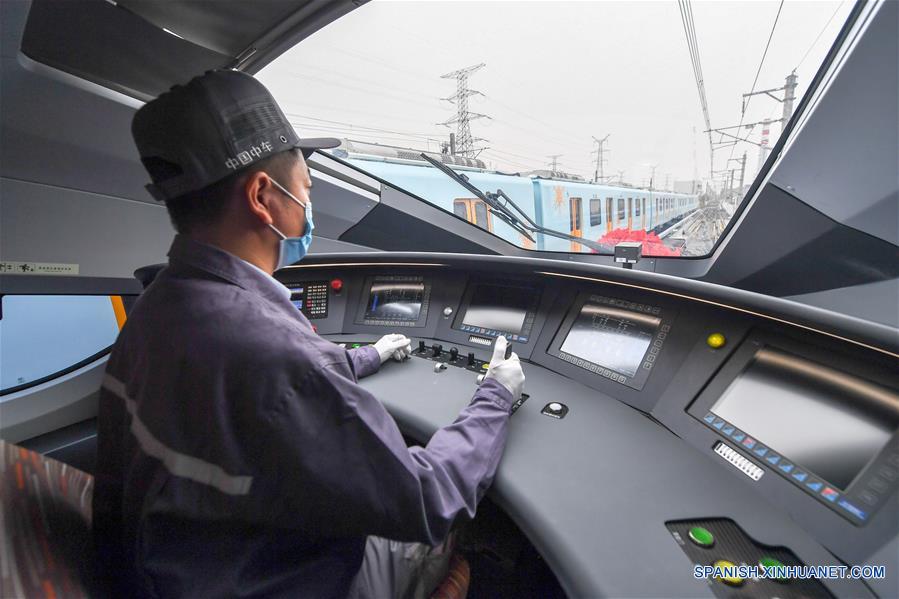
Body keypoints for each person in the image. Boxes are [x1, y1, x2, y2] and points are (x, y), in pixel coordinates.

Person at [93, 69, 525, 599]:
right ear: (261, 196)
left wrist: (368, 355)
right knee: (464, 520)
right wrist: (495, 397)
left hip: (178, 565)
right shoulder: (274, 351)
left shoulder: (157, 307)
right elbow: (425, 497)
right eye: (305, 188)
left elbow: (256, 402)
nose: (307, 203)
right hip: (276, 580)